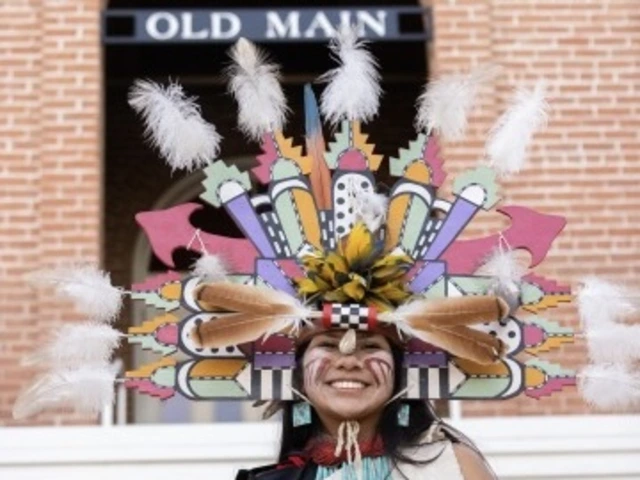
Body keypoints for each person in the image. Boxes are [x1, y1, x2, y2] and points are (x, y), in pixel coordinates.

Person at [235, 329, 497, 479]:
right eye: (327, 344)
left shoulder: (454, 466)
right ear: (299, 378)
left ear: (400, 376)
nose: (348, 361)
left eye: (370, 345)